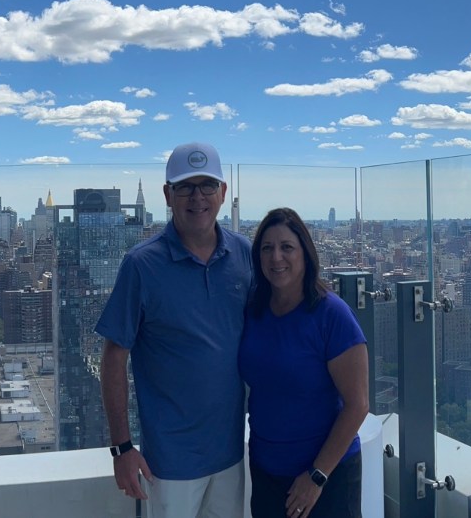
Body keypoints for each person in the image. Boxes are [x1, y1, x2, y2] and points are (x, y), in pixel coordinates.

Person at [96, 142, 253, 517]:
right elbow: (113, 357)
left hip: (233, 453)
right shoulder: (141, 265)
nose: (197, 197)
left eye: (207, 185)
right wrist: (121, 448)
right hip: (169, 463)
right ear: (167, 195)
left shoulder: (245, 254)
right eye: (185, 187)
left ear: (223, 193)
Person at [239, 208, 369, 518]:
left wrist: (317, 475)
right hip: (266, 471)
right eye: (267, 248)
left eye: (287, 247)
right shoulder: (254, 310)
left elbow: (358, 404)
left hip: (325, 477)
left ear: (305, 253)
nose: (276, 258)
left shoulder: (332, 315)